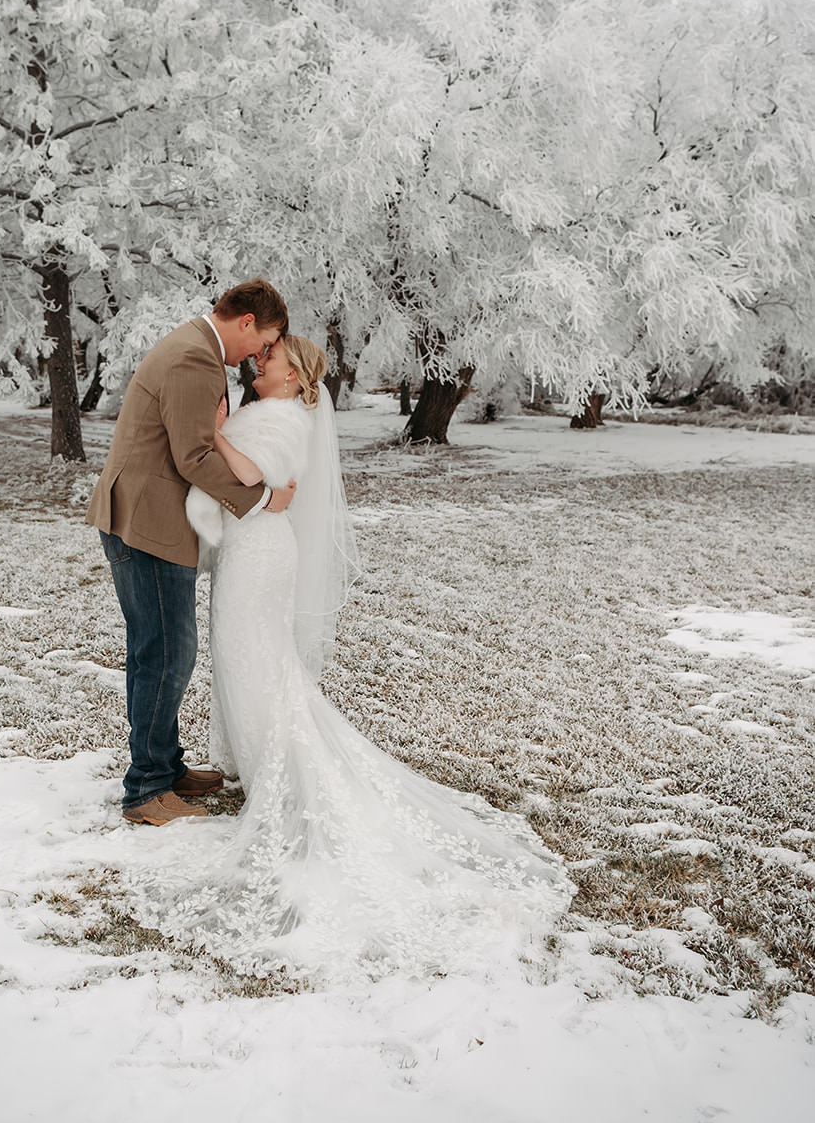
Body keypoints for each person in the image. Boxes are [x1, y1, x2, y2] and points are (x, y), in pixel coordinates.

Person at [105, 336, 573, 983]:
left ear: (294, 376)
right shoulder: (261, 407)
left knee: (256, 660)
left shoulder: (287, 417)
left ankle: (280, 769)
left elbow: (250, 474)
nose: (259, 361)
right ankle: (256, 761)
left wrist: (212, 435)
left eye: (271, 358)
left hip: (260, 554)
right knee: (242, 660)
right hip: (244, 548)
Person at [86, 278, 295, 826]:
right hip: (147, 524)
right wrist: (263, 498)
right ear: (246, 321)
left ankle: (166, 766)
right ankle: (147, 790)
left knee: (159, 649)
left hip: (148, 518)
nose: (258, 355)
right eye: (263, 341)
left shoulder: (197, 348)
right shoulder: (195, 357)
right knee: (166, 653)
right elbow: (193, 456)